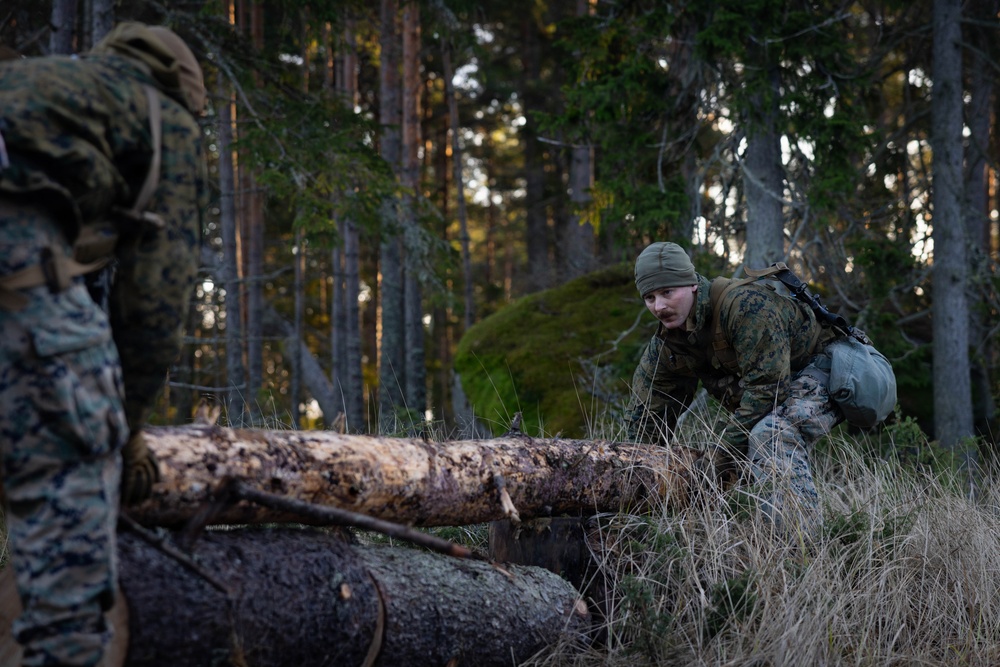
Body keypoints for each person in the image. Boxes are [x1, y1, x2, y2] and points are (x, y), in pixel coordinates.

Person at [0, 22, 206, 666]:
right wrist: (127, 429)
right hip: (17, 277)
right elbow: (154, 300)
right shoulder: (162, 116)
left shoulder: (44, 86)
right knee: (68, 611)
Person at [624, 241, 846, 539]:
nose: (659, 306)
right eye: (649, 297)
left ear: (691, 284)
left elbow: (769, 390)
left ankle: (799, 551)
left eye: (667, 292)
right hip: (779, 386)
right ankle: (734, 543)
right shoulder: (669, 343)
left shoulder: (744, 306)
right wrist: (631, 470)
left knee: (770, 436)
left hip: (833, 369)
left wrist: (718, 456)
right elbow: (648, 412)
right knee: (736, 452)